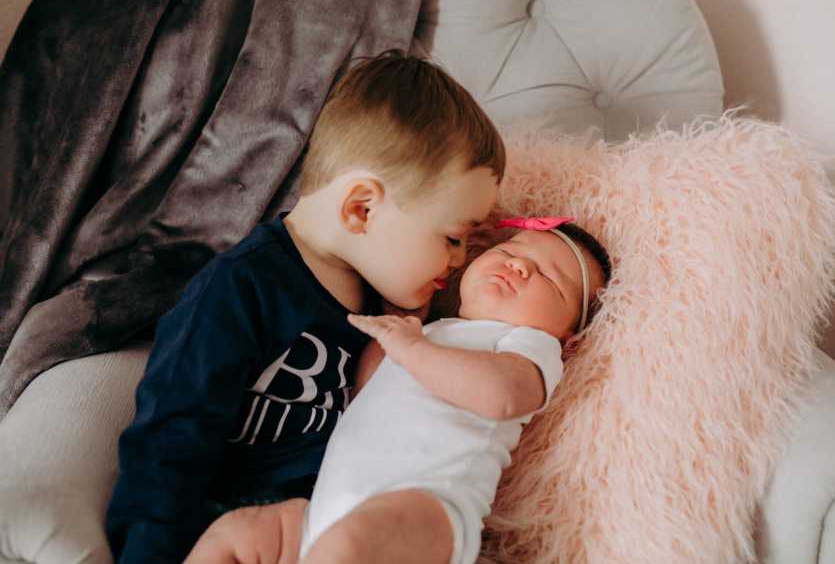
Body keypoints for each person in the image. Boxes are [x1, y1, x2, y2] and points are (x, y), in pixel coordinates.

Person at [104, 50, 505, 564]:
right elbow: (170, 441)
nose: (459, 259)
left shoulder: (387, 306)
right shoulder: (240, 288)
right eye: (452, 237)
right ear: (362, 208)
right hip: (241, 525)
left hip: (343, 526)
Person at [186, 217, 612, 564]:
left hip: (427, 510)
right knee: (237, 531)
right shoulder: (432, 332)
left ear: (568, 338)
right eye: (509, 252)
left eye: (550, 280)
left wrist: (410, 348)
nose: (520, 267)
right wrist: (397, 333)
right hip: (326, 511)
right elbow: (367, 392)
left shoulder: (528, 347)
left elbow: (501, 396)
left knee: (348, 545)